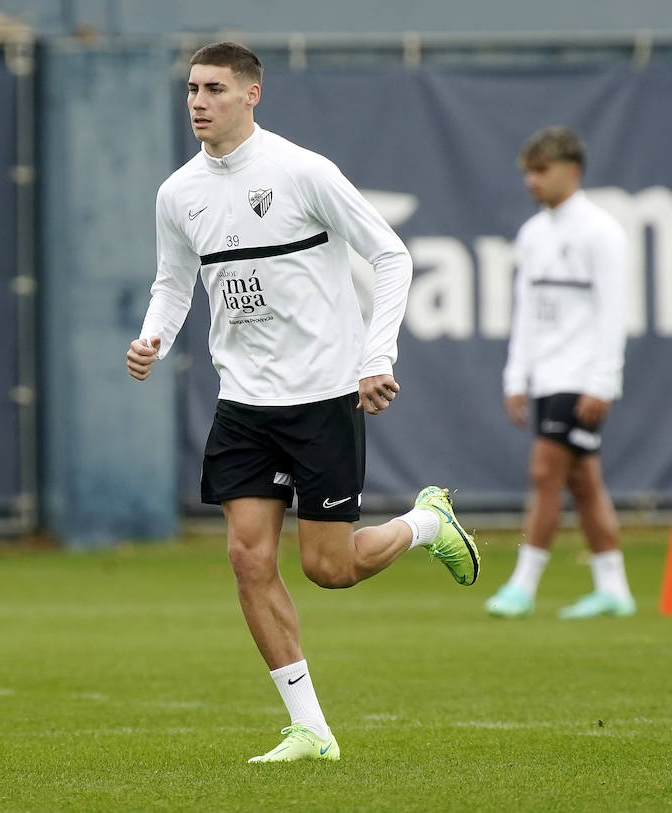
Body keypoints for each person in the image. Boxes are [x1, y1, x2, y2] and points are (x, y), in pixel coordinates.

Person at [125, 41, 479, 763]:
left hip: (321, 395)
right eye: (192, 88)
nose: (198, 101)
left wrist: (375, 355)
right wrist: (152, 335)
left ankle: (424, 521)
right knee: (247, 557)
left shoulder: (303, 171)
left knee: (330, 567)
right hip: (243, 402)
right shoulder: (178, 193)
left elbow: (391, 255)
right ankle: (310, 728)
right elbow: (173, 280)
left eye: (215, 88)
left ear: (252, 95)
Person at [485, 126, 635, 620]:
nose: (531, 180)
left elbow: (614, 312)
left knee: (545, 471)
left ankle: (523, 586)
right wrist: (516, 379)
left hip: (582, 378)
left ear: (572, 171)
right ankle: (613, 587)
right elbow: (526, 312)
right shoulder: (532, 235)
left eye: (541, 170)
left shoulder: (601, 232)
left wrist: (602, 383)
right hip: (547, 377)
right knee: (584, 483)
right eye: (527, 171)